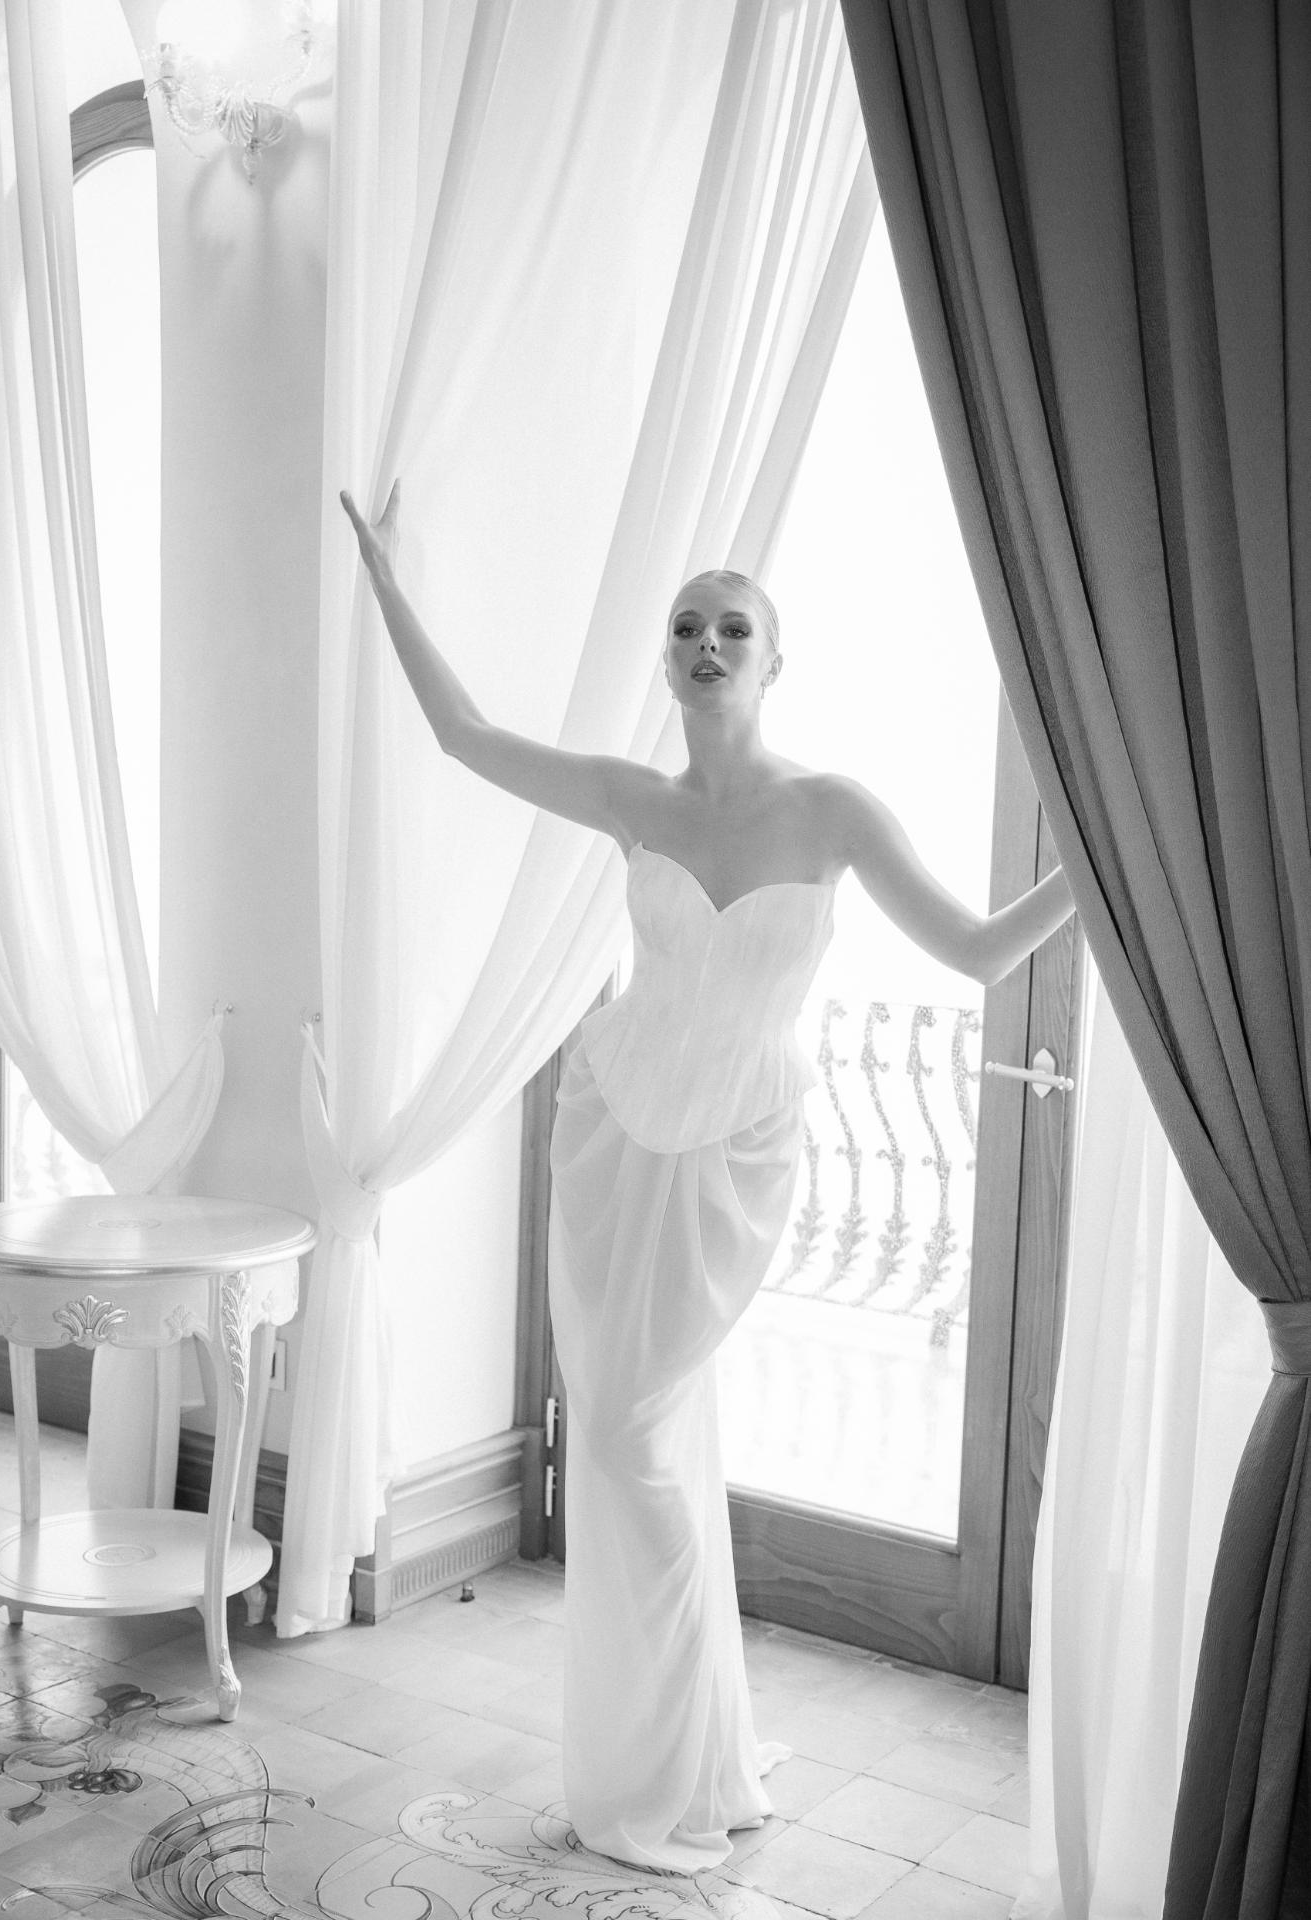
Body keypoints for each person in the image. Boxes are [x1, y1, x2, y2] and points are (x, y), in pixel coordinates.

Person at [341, 482, 1075, 1872]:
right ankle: (680, 1762)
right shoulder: (635, 798)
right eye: (687, 627)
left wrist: (1096, 867)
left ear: (774, 660)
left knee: (636, 1437)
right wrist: (385, 581)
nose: (707, 644)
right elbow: (465, 737)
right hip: (613, 1132)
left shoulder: (833, 810)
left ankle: (678, 1765)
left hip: (740, 1152)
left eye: (733, 627)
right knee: (628, 1437)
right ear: (668, 660)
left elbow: (979, 953)